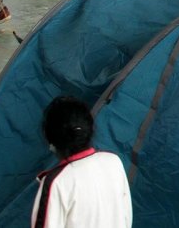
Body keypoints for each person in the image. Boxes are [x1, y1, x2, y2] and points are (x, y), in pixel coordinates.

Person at [32, 96, 132, 228]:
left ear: (50, 138)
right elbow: (126, 218)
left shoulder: (56, 182)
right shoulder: (113, 162)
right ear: (91, 129)